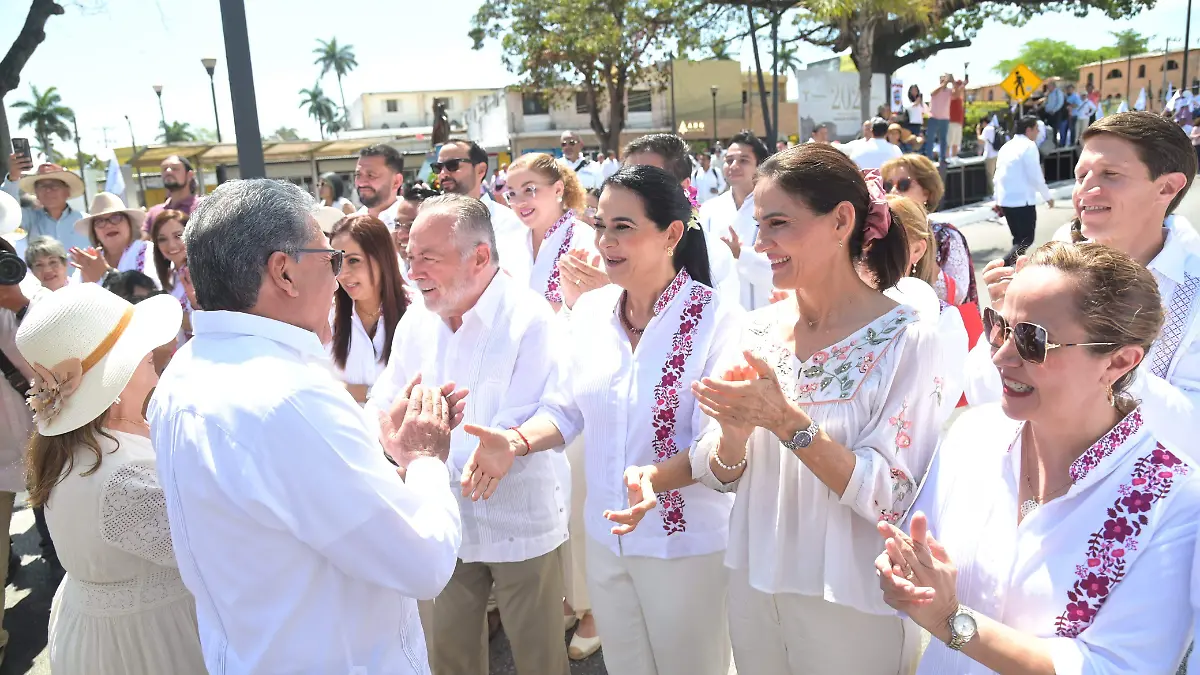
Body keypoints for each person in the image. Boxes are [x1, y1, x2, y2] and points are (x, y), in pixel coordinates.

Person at [606, 145, 947, 674]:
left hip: (851, 596)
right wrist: (720, 446)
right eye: (760, 224)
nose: (760, 243)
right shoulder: (756, 330)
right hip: (752, 583)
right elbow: (724, 472)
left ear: (841, 220)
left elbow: (891, 494)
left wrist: (788, 422)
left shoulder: (910, 338)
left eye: (779, 224)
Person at [148, 178, 465, 674]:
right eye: (330, 259)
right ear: (285, 272)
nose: (337, 278)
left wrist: (379, 445)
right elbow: (424, 562)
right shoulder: (289, 399)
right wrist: (424, 459)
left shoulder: (184, 372)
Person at [467, 165, 738, 675]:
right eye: (600, 224)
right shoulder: (590, 312)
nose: (606, 240)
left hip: (684, 545)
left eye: (623, 227)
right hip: (605, 540)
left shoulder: (715, 320)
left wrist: (658, 478)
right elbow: (565, 408)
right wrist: (516, 442)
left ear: (671, 234)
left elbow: (721, 445)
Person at [879, 241, 1198, 675]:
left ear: (1119, 361)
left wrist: (952, 621)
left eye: (1032, 340)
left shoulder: (1175, 504)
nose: (1001, 355)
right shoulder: (971, 436)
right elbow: (922, 569)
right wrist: (906, 578)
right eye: (999, 326)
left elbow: (1116, 667)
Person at [366, 194, 570, 675]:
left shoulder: (531, 317)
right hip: (443, 521)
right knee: (451, 659)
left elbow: (558, 410)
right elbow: (383, 399)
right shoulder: (417, 319)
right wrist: (394, 437)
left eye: (428, 259)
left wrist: (512, 442)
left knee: (540, 658)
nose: (413, 273)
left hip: (519, 521)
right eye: (410, 257)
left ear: (480, 257)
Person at [969, 112, 1200, 456]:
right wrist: (1007, 330)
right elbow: (982, 391)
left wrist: (1095, 359)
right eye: (1081, 175)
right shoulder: (1052, 265)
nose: (1086, 189)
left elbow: (1193, 433)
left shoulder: (1191, 290)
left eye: (1110, 174)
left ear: (1166, 187)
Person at [17, 283, 200, 675]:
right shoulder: (117, 477)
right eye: (137, 346)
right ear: (111, 378)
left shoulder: (96, 444)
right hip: (149, 643)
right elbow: (209, 547)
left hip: (111, 631)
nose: (152, 350)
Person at [621, 133, 743, 308]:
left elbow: (723, 325)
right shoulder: (607, 245)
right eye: (625, 179)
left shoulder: (715, 256)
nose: (631, 191)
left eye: (647, 181)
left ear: (684, 186)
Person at [328, 214, 410, 404]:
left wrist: (360, 392)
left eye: (353, 261)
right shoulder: (327, 316)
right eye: (336, 262)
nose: (342, 273)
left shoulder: (417, 313)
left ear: (381, 258)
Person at [880, 154, 979, 309]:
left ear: (927, 192)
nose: (893, 191)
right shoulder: (877, 231)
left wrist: (920, 252)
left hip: (937, 325)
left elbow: (958, 294)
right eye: (887, 185)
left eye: (904, 184)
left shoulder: (946, 236)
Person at [501, 152, 597, 310]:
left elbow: (592, 310)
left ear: (558, 190)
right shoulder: (508, 240)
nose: (519, 202)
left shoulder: (584, 240)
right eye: (512, 194)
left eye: (529, 189)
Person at [700, 130, 774, 310]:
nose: (733, 166)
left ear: (759, 166)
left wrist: (741, 254)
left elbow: (782, 268)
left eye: (743, 160)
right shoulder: (709, 210)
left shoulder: (774, 208)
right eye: (729, 160)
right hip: (721, 318)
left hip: (763, 313)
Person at [434, 139, 527, 278]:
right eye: (438, 168)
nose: (443, 174)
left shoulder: (507, 222)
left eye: (452, 165)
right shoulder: (431, 222)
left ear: (480, 170)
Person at [994, 116, 1054, 266]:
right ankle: (1004, 264)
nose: (1038, 132)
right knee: (1027, 239)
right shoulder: (1029, 146)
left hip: (1006, 200)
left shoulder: (1007, 146)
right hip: (1022, 200)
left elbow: (997, 175)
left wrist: (997, 198)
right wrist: (1047, 196)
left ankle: (1013, 269)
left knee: (1018, 239)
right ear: (1029, 130)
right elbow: (1035, 174)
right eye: (1036, 129)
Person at [70, 192, 159, 288]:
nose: (108, 225)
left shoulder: (147, 251)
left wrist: (105, 274)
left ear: (129, 223)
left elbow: (151, 292)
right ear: (94, 232)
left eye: (116, 218)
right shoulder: (89, 259)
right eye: (100, 221)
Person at [2, 159, 90, 255]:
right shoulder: (29, 219)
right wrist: (13, 178)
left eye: (54, 185)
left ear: (67, 192)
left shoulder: (87, 222)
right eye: (42, 186)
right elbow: (7, 209)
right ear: (36, 192)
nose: (48, 190)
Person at [149, 210, 193, 344]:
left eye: (178, 236)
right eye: (162, 239)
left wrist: (165, 315)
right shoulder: (170, 277)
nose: (171, 245)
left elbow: (212, 322)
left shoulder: (205, 272)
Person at [143, 155, 202, 236]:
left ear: (189, 175)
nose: (168, 171)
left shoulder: (204, 207)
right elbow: (143, 244)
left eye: (175, 168)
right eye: (164, 169)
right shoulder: (154, 212)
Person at [354, 144, 405, 229]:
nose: (361, 183)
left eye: (371, 175)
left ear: (396, 181)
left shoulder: (414, 222)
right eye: (358, 175)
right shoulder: (350, 225)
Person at [926, 74, 953, 161]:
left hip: (944, 118)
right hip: (933, 117)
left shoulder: (949, 91)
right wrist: (945, 83)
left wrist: (953, 81)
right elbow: (932, 93)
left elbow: (957, 93)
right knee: (930, 138)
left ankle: (943, 158)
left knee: (943, 139)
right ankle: (929, 158)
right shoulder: (936, 89)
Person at [948, 77, 968, 157]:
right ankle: (946, 159)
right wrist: (962, 85)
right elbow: (957, 93)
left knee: (956, 143)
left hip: (958, 123)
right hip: (951, 122)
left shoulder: (960, 98)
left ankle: (953, 158)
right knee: (949, 142)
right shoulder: (952, 95)